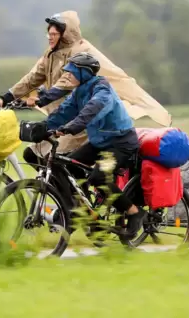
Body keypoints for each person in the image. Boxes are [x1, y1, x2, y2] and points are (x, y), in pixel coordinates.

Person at [0, 10, 172, 168]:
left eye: (53, 34)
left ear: (64, 34)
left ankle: (70, 200)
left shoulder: (80, 53)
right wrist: (5, 97)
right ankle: (55, 193)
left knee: (57, 163)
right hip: (62, 118)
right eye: (49, 34)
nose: (49, 38)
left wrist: (40, 99)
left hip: (80, 124)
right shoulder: (51, 53)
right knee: (34, 156)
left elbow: (65, 84)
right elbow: (31, 79)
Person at [42, 52, 146, 238]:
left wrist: (70, 128)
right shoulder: (79, 92)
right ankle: (78, 211)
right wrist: (43, 127)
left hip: (120, 144)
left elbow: (91, 111)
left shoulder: (102, 90)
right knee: (65, 166)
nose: (67, 75)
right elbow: (63, 113)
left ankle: (134, 212)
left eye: (72, 72)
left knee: (99, 177)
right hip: (99, 143)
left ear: (84, 73)